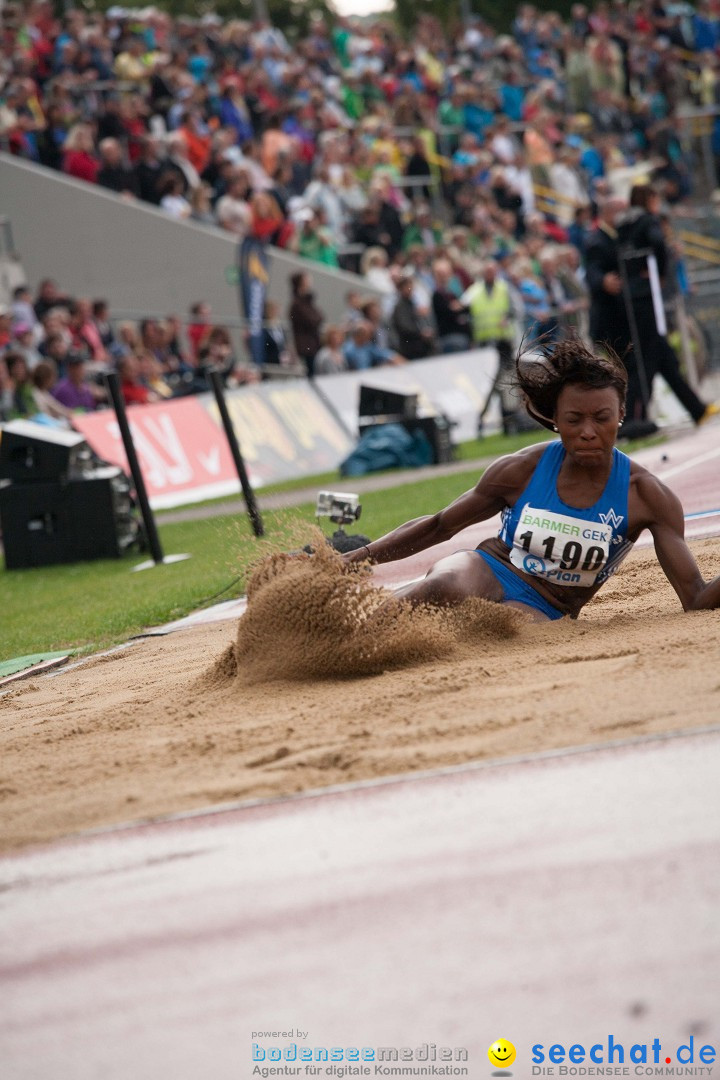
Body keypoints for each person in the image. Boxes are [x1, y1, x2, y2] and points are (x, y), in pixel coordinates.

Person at [343, 337, 720, 620]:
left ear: (621, 414)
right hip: (489, 569)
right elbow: (440, 526)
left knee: (504, 628)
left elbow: (696, 598)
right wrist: (353, 560)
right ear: (555, 419)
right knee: (443, 586)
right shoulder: (521, 470)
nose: (588, 432)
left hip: (547, 609)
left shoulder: (648, 496)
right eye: (574, 420)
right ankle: (342, 633)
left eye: (601, 419)